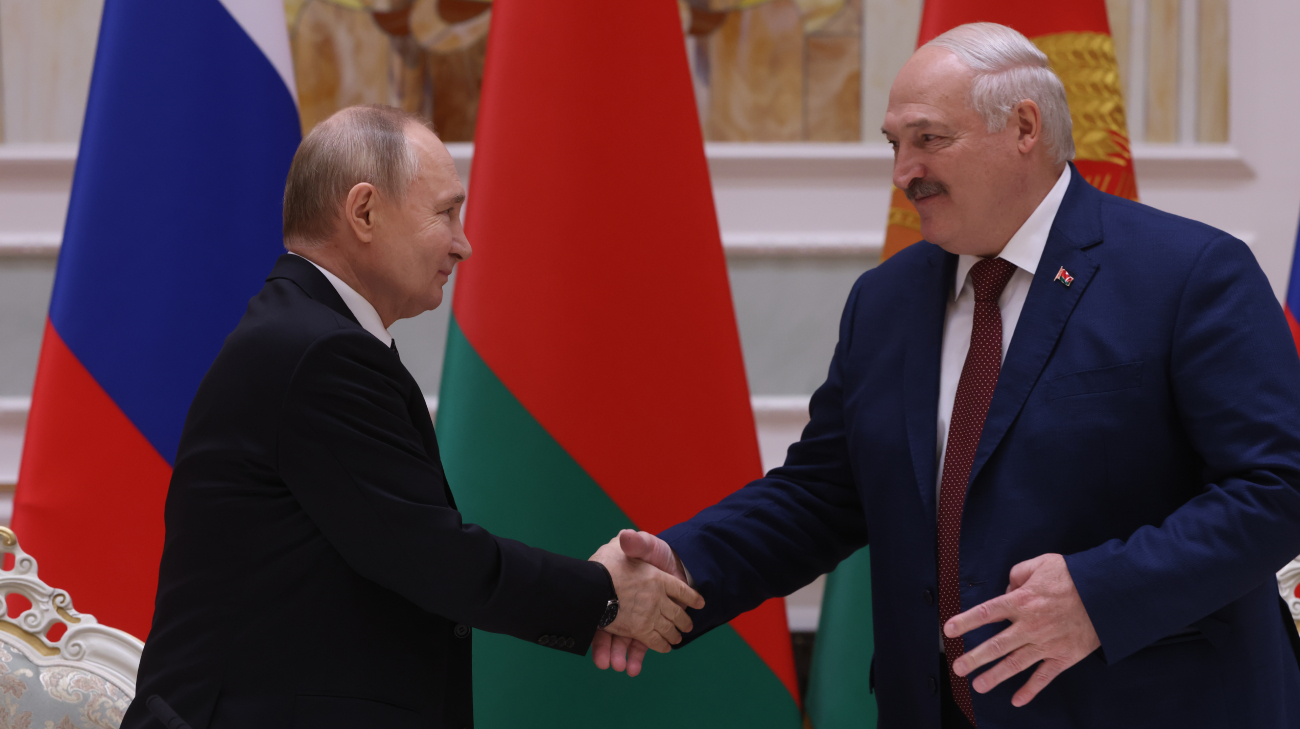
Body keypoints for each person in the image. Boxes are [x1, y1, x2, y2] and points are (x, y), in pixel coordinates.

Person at [593, 22, 1300, 728]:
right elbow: (823, 492)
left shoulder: (1186, 273)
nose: (904, 171)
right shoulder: (886, 300)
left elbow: (1280, 485)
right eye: (894, 144)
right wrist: (684, 564)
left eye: (928, 138)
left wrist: (1100, 593)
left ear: (1024, 127)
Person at [121, 105, 702, 729]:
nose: (463, 243)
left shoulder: (305, 333)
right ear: (364, 212)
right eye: (445, 213)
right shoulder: (318, 351)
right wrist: (605, 595)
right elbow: (432, 558)